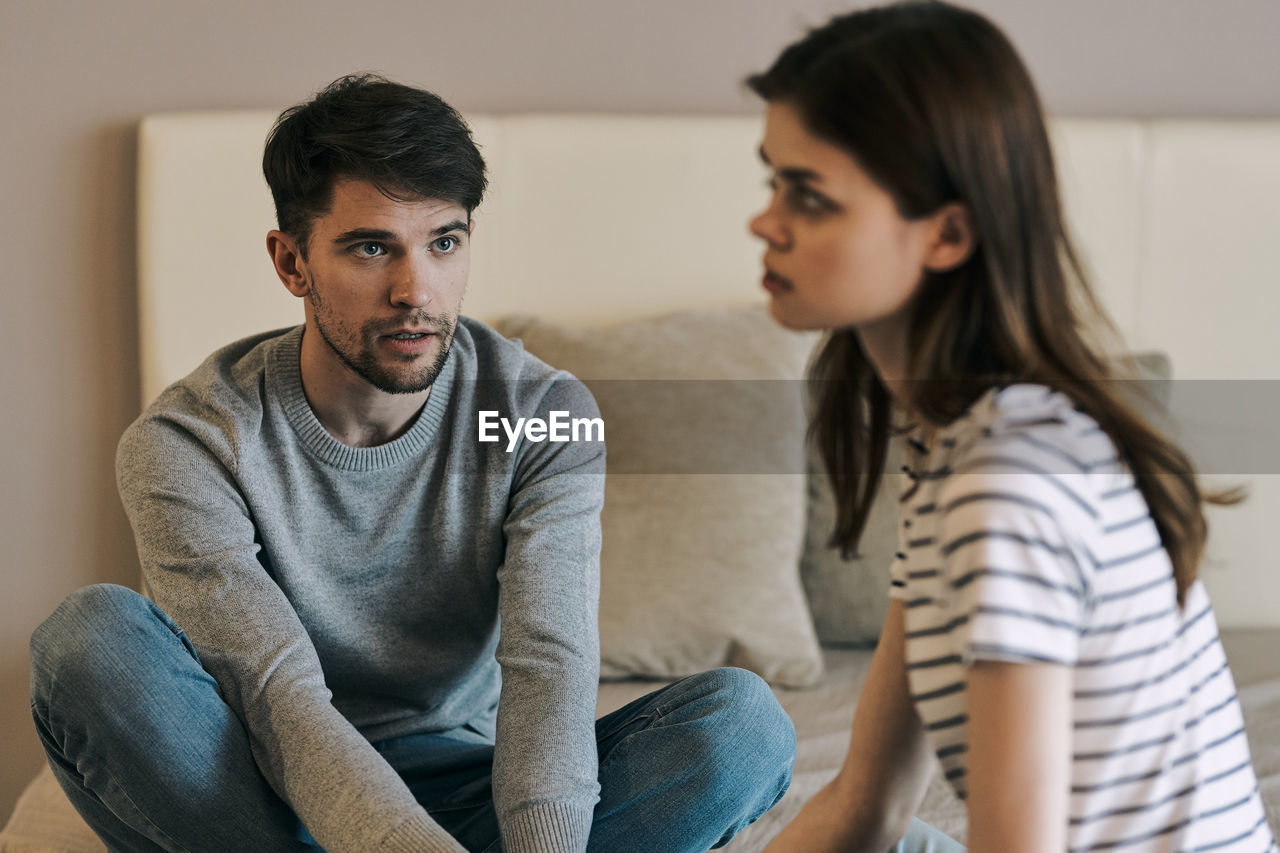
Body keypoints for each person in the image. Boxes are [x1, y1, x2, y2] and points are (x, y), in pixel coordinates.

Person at [29, 74, 795, 853]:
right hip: (261, 798)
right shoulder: (191, 441)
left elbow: (549, 662)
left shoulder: (540, 413)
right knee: (87, 640)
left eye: (445, 242)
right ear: (292, 262)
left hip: (470, 786)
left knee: (741, 728)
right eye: (372, 248)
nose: (415, 290)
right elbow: (277, 698)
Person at [746, 3, 1277, 851]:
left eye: (809, 197)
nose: (765, 222)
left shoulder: (1007, 480)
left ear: (948, 233)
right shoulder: (947, 448)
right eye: (773, 181)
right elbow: (867, 804)